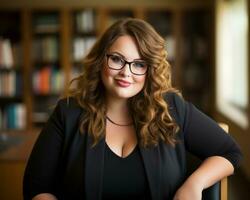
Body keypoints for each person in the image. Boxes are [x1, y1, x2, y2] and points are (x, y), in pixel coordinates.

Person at [23, 18, 242, 200]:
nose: (126, 73)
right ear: (101, 61)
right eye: (117, 59)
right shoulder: (68, 113)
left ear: (150, 70)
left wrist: (194, 184)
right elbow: (36, 188)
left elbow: (230, 153)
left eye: (139, 64)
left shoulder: (172, 108)